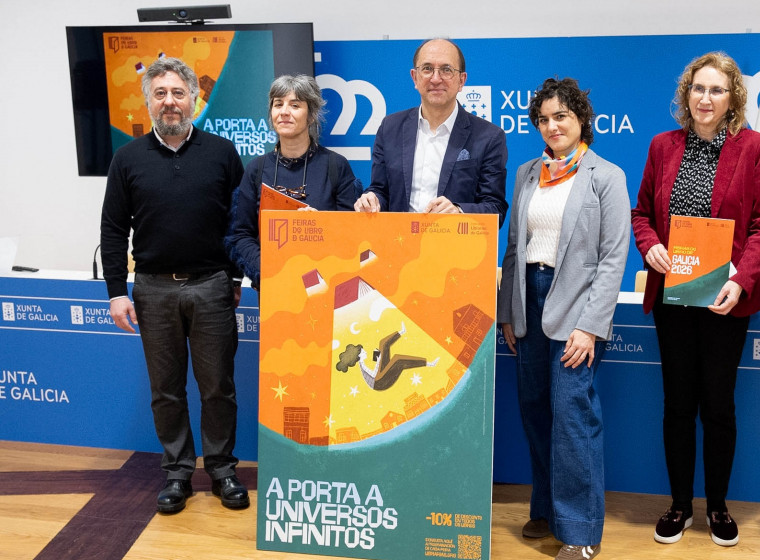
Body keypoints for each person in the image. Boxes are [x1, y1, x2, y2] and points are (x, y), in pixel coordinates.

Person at [631, 52, 760, 547]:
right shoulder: (662, 146)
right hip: (673, 297)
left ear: (733, 96)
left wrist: (741, 278)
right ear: (685, 94)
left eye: (717, 89)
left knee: (717, 406)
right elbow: (641, 213)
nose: (706, 98)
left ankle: (716, 506)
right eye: (698, 88)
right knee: (677, 404)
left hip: (725, 298)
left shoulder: (753, 147)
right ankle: (679, 505)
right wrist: (650, 244)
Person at [100, 57, 248, 514]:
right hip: (153, 290)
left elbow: (240, 222)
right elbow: (111, 229)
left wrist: (236, 277)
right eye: (160, 94)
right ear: (149, 102)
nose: (169, 102)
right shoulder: (127, 158)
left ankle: (222, 470)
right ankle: (178, 473)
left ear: (194, 98)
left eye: (178, 93)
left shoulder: (223, 153)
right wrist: (116, 291)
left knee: (217, 386)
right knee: (165, 389)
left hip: (211, 286)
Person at [499, 77, 630, 560]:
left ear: (581, 121)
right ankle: (547, 510)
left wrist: (591, 325)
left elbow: (614, 256)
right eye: (544, 119)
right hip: (527, 304)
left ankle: (579, 531)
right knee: (535, 411)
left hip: (576, 306)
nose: (553, 126)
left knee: (573, 415)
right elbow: (515, 247)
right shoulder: (528, 172)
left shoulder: (605, 175)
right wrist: (508, 314)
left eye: (562, 117)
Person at [353, 38, 508, 226]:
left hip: (455, 248)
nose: (436, 79)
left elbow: (495, 208)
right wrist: (372, 200)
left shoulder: (488, 137)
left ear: (462, 80)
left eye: (446, 70)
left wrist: (459, 211)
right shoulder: (390, 128)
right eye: (427, 69)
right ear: (415, 77)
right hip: (399, 246)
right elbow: (380, 189)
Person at [226, 74, 360, 289]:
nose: (284, 112)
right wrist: (271, 269)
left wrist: (321, 227)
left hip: (326, 285)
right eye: (278, 104)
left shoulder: (336, 166)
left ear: (312, 115)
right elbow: (241, 234)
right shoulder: (256, 169)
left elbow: (352, 233)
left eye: (295, 105)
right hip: (273, 287)